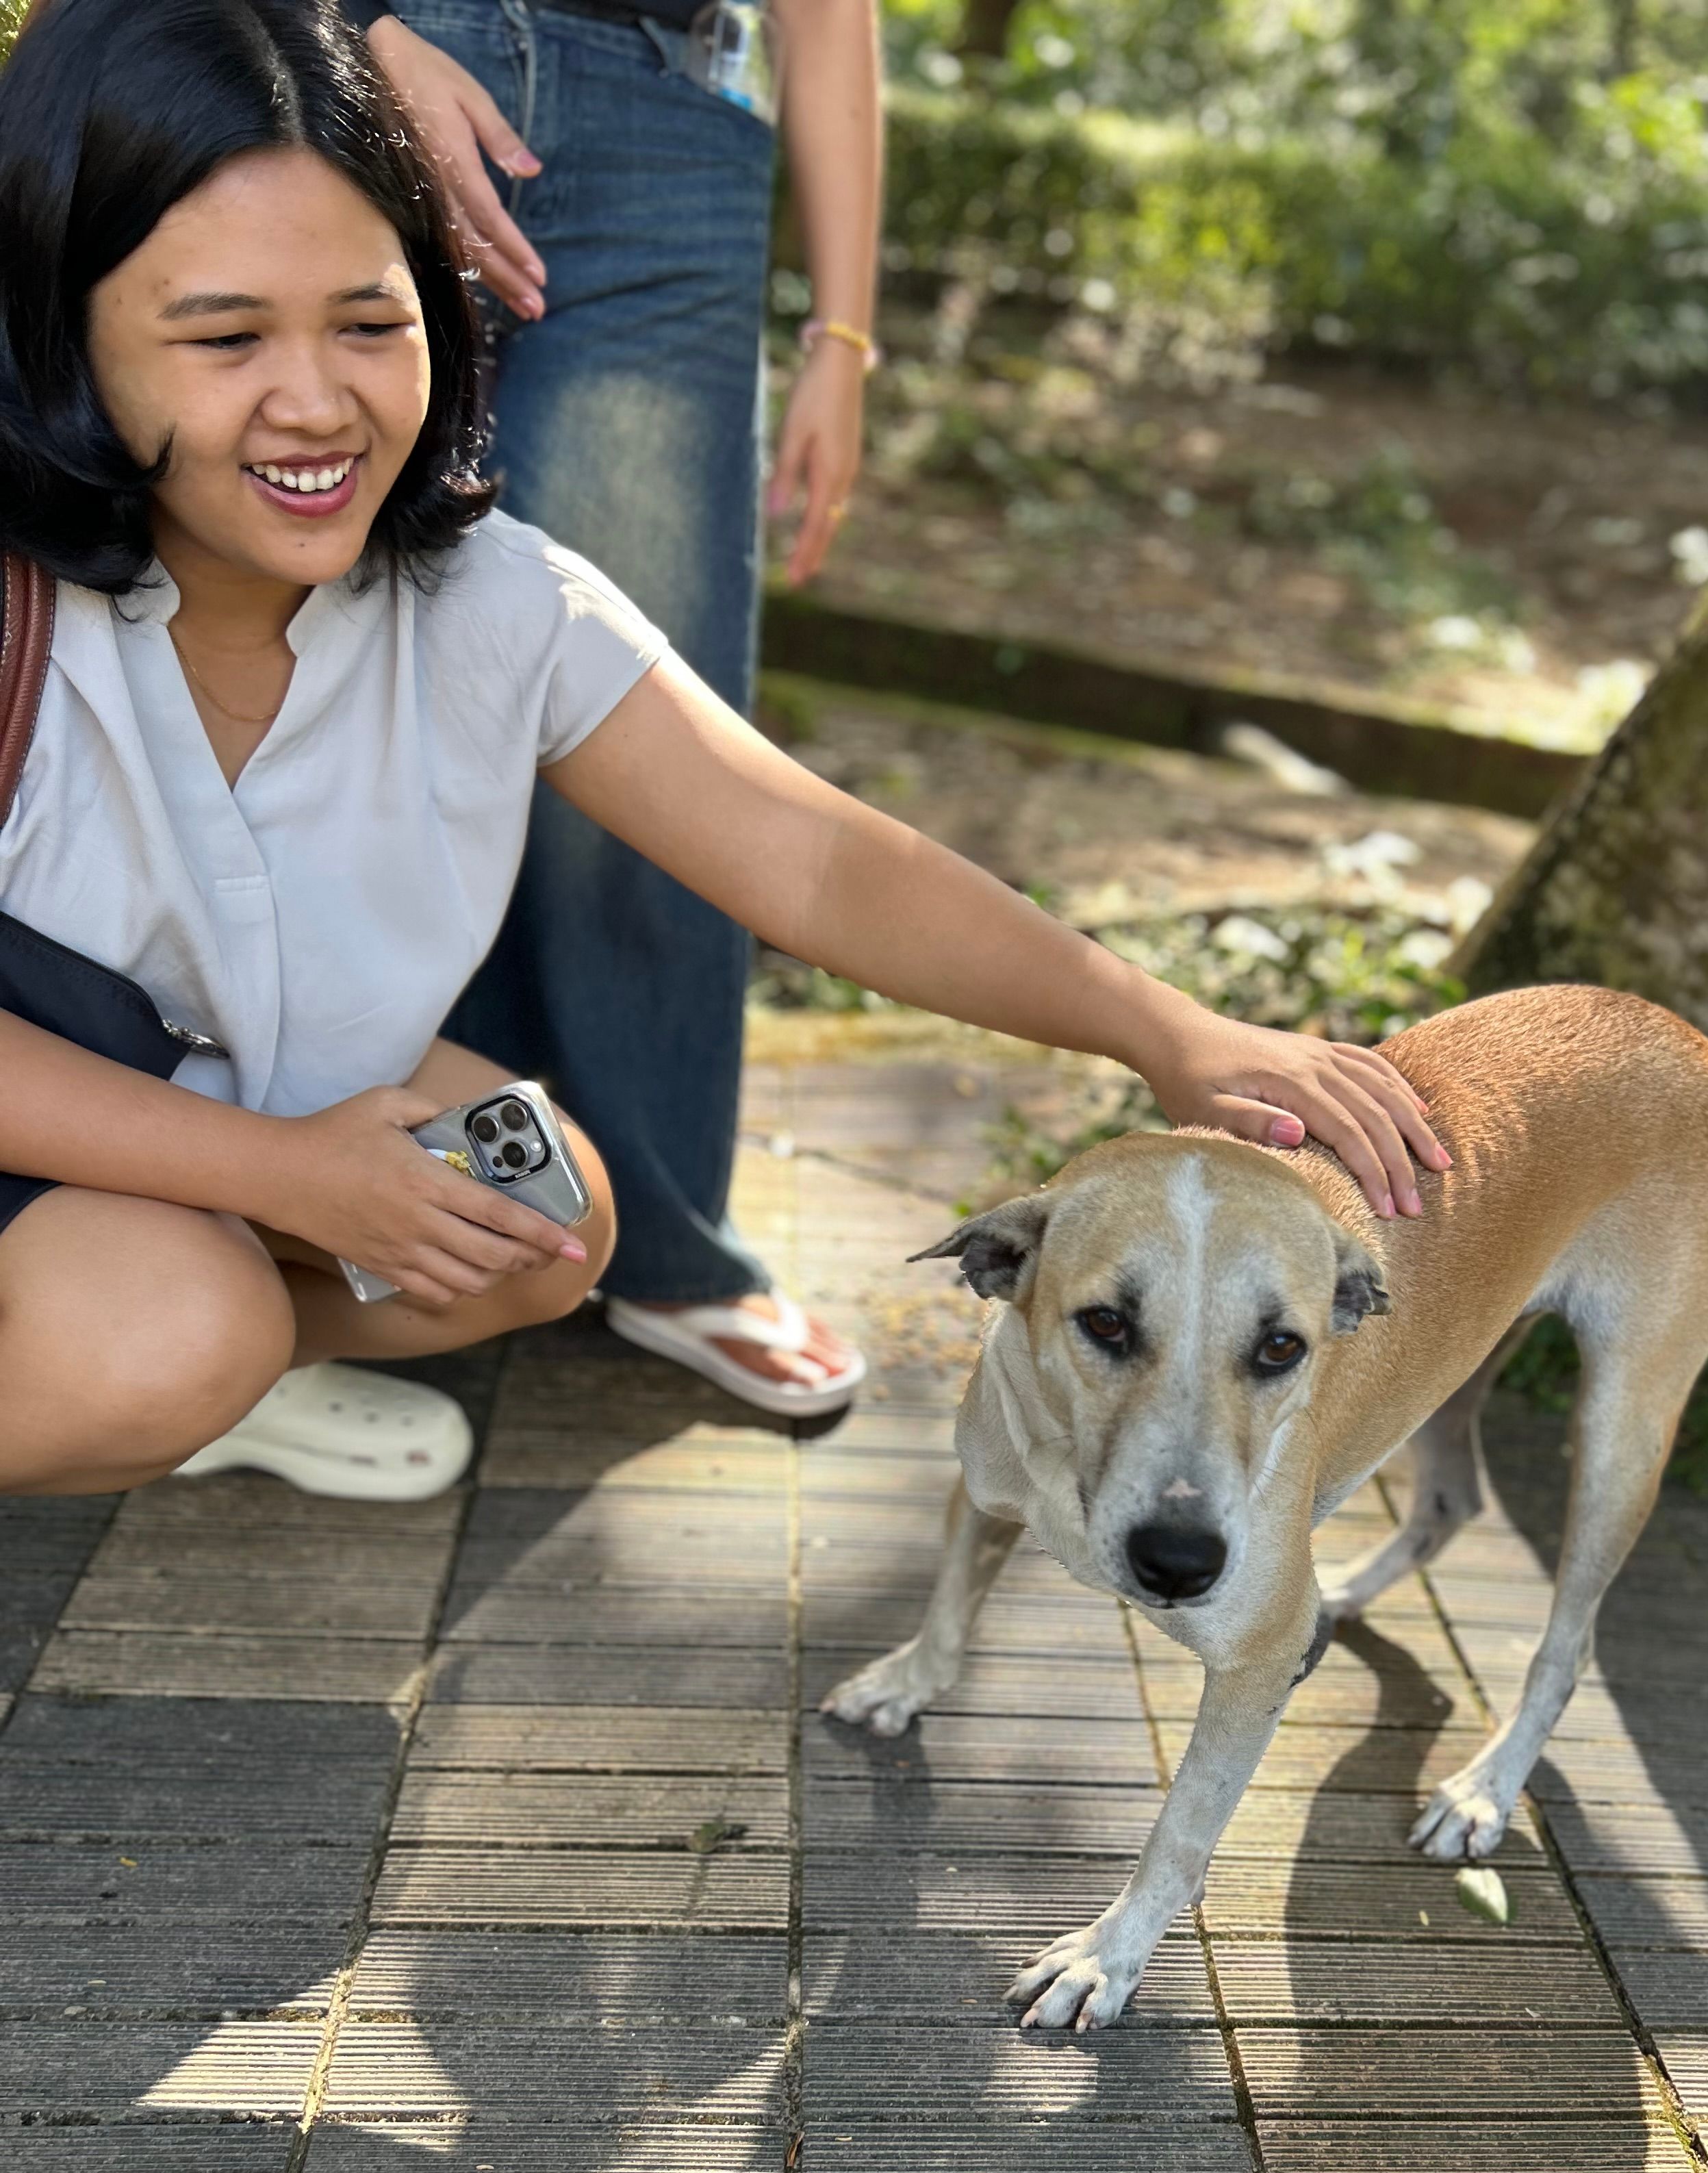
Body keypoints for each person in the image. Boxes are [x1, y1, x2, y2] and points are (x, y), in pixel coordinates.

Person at [0, 0, 1448, 1504]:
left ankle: (183, 1382)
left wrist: (1169, 1033)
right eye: (227, 336)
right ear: (62, 326)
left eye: (371, 322)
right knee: (174, 1329)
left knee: (543, 1212)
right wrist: (286, 1181)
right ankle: (156, 1369)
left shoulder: (487, 600)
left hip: (178, 1076)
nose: (317, 400)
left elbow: (810, 857)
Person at [344, 0, 880, 1427]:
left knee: (658, 685)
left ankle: (660, 1241)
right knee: (350, 648)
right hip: (381, 60)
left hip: (669, 122)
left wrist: (844, 333)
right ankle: (378, 1203)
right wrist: (351, 36)